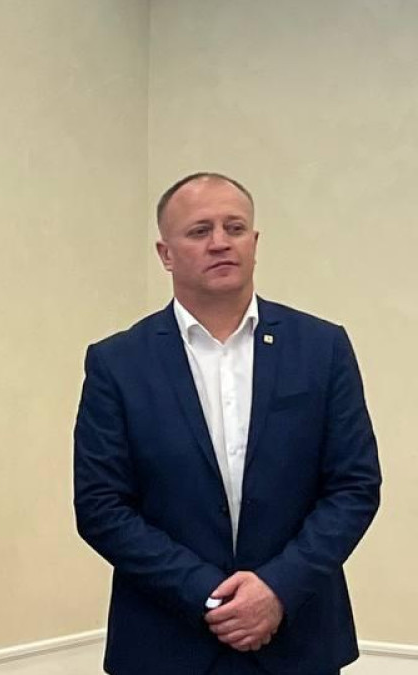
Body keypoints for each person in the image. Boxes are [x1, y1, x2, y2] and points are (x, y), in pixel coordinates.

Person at [73, 172, 382, 674]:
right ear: (165, 253)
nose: (220, 242)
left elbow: (354, 486)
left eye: (234, 228)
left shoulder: (321, 348)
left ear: (254, 242)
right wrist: (210, 595)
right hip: (166, 642)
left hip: (298, 638)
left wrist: (277, 588)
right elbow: (101, 506)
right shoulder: (118, 363)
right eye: (200, 231)